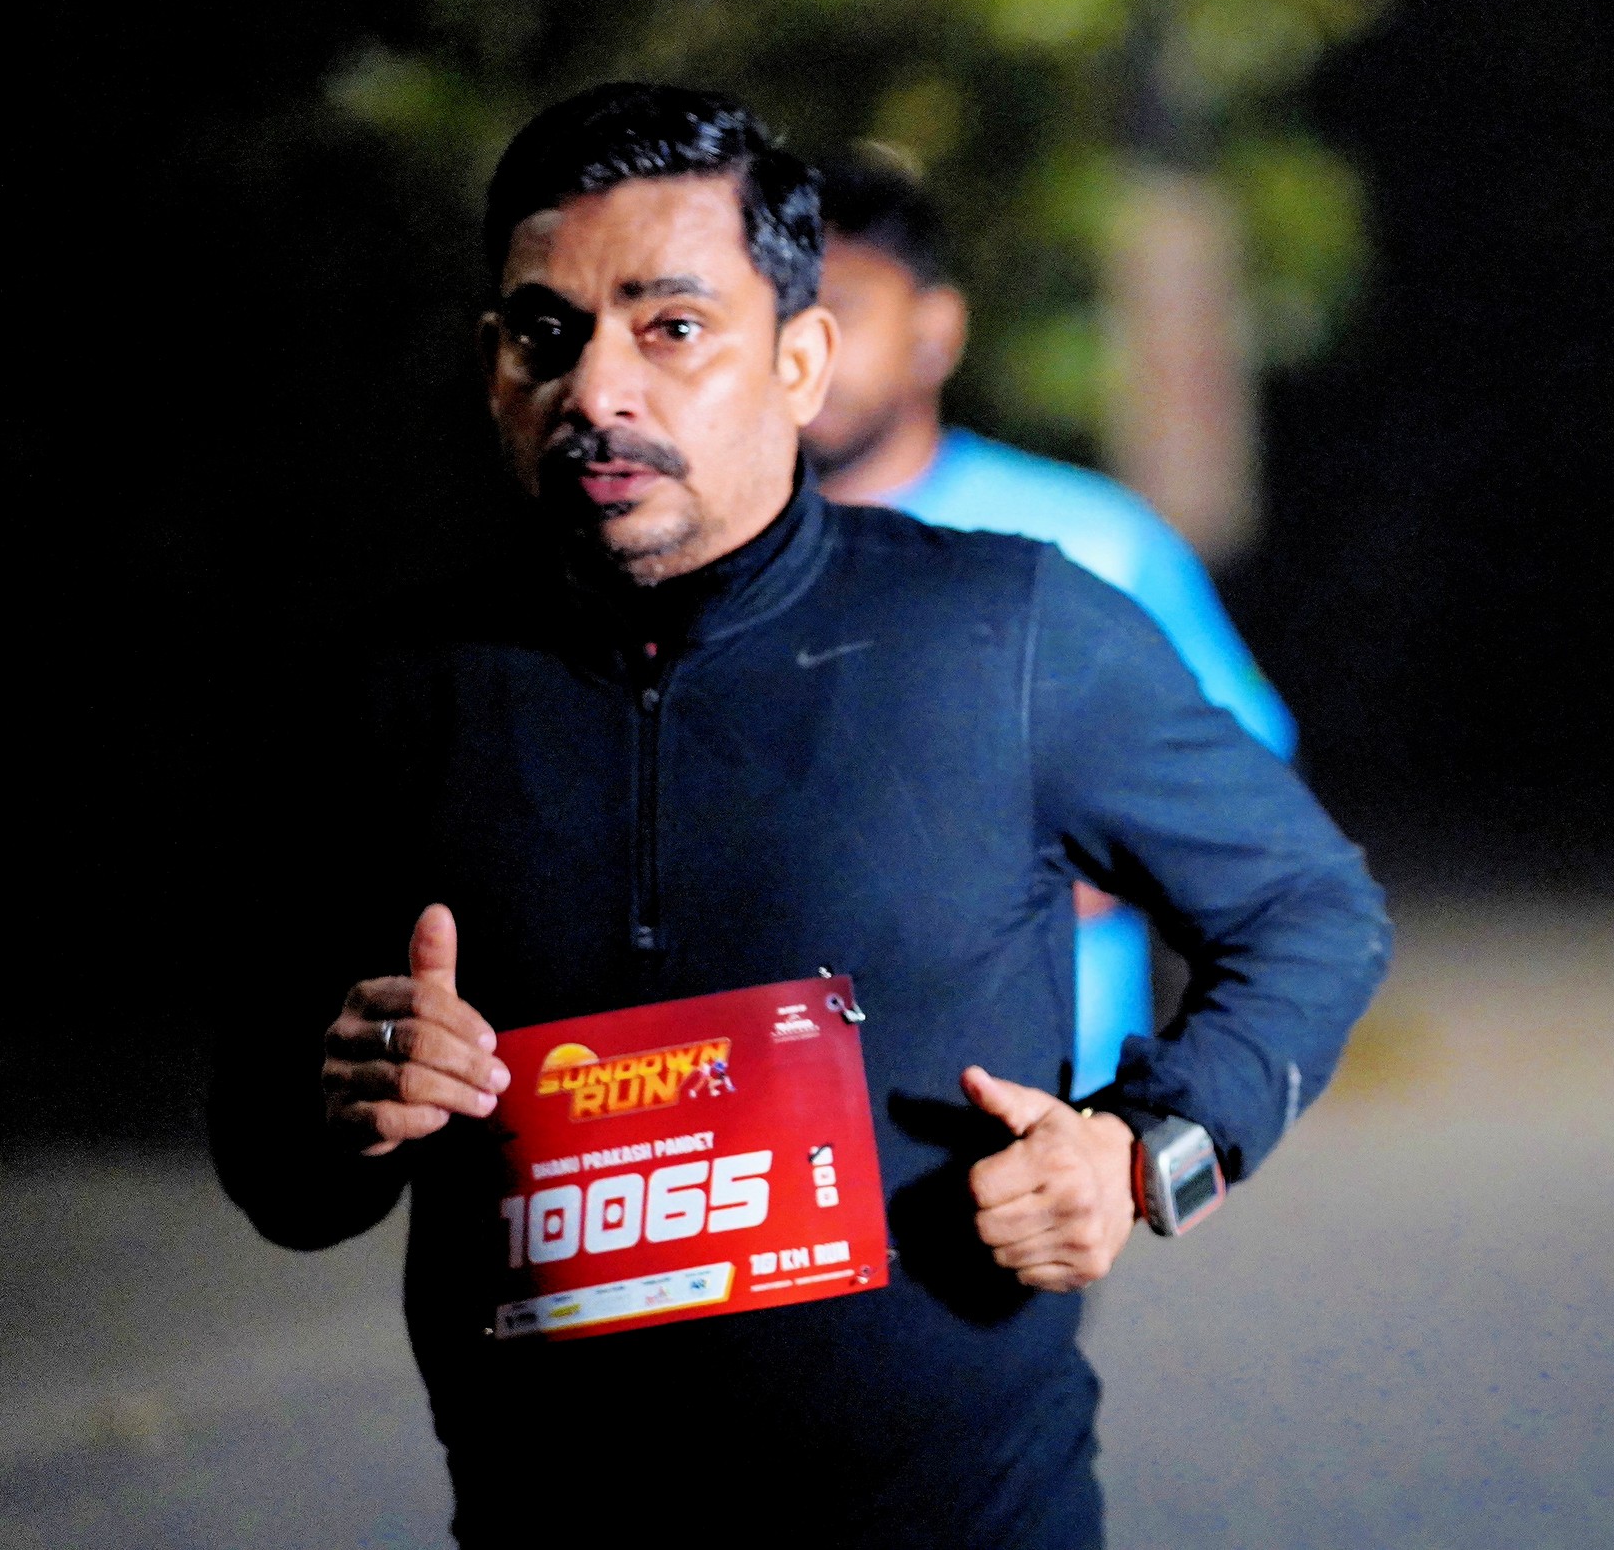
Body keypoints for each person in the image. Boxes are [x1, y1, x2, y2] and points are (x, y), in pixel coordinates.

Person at [208, 85, 1390, 1546]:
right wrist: (347, 1105)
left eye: (672, 325)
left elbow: (1309, 907)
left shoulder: (1007, 633)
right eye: (544, 332)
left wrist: (1147, 1145)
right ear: (492, 366)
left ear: (800, 358)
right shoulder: (396, 701)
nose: (597, 389)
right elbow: (284, 1179)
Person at [802, 157, 1296, 1098]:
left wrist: (1062, 879)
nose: (809, 346)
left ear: (936, 328)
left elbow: (1240, 772)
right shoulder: (701, 559)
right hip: (785, 1108)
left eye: (845, 308)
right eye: (782, 313)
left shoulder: (1088, 538)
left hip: (1044, 1094)